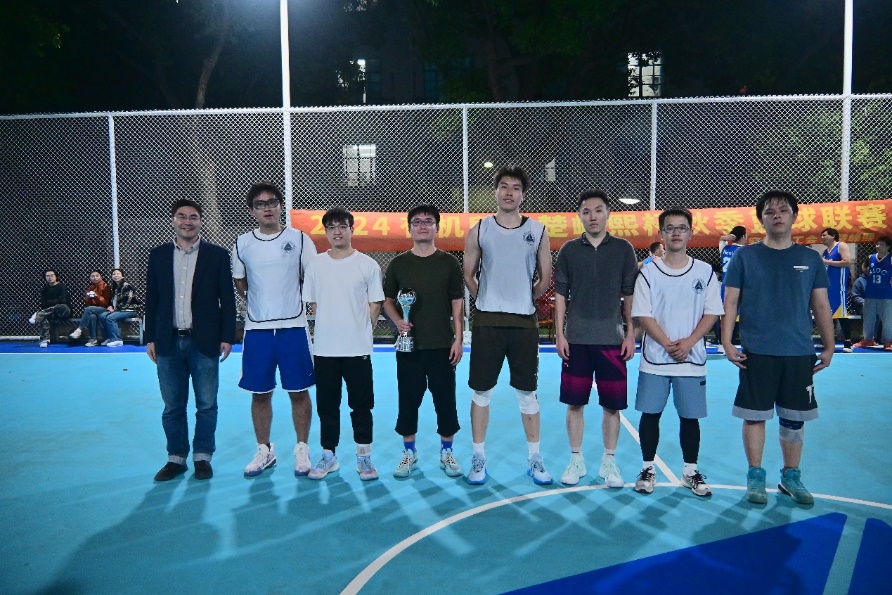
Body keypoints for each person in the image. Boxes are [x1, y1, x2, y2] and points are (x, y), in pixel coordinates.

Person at [722, 190, 834, 506]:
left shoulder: (810, 259)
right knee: (754, 416)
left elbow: (821, 305)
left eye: (783, 210)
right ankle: (755, 475)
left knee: (794, 418)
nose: (777, 216)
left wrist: (828, 346)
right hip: (757, 350)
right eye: (770, 212)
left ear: (794, 216)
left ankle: (790, 476)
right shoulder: (745, 257)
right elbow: (730, 302)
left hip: (798, 351)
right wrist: (727, 341)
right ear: (762, 219)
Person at [463, 165, 553, 486]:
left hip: (523, 323)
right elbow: (468, 274)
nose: (509, 192)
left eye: (515, 187)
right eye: (504, 186)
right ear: (496, 191)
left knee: (528, 393)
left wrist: (521, 298)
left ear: (523, 194)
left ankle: (535, 457)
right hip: (488, 321)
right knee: (481, 392)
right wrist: (488, 297)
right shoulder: (479, 229)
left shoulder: (538, 231)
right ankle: (478, 456)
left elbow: (544, 279)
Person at [631, 206, 723, 496]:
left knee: (689, 418)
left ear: (690, 233)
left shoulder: (704, 272)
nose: (676, 233)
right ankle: (647, 468)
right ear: (661, 234)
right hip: (655, 359)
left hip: (691, 358)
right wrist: (668, 343)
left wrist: (689, 342)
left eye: (681, 228)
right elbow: (643, 314)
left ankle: (690, 470)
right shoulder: (648, 273)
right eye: (669, 228)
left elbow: (712, 312)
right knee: (650, 414)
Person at [145, 199, 236, 482]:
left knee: (206, 404)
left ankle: (202, 456)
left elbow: (227, 300)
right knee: (172, 406)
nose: (187, 221)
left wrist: (227, 336)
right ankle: (176, 458)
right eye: (182, 216)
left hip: (204, 342)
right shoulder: (158, 255)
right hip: (168, 342)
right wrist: (150, 337)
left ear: (200, 221)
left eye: (193, 217)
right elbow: (152, 299)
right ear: (173, 220)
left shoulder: (217, 255)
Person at [232, 182, 318, 478]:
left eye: (272, 202)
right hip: (257, 330)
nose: (267, 208)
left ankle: (302, 449)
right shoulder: (242, 243)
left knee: (299, 391)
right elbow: (240, 282)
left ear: (281, 206)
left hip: (293, 328)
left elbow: (313, 277)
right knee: (260, 394)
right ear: (252, 210)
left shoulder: (300, 239)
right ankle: (264, 450)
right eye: (260, 204)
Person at [554, 190, 637, 487]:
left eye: (598, 210)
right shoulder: (568, 251)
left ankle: (609, 461)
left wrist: (631, 333)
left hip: (612, 340)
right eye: (586, 211)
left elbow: (630, 295)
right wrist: (560, 333)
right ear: (579, 215)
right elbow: (561, 295)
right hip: (576, 339)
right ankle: (576, 459)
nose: (592, 216)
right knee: (574, 403)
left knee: (612, 406)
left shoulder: (624, 249)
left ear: (607, 213)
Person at [382, 204, 464, 478]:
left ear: (437, 227)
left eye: (428, 221)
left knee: (445, 401)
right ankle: (409, 453)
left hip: (441, 345)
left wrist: (458, 338)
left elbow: (457, 302)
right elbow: (387, 300)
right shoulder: (399, 263)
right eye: (417, 222)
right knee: (408, 400)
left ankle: (446, 451)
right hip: (409, 347)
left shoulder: (448, 262)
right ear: (410, 228)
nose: (423, 226)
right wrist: (398, 321)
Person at [303, 207, 384, 481]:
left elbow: (375, 304)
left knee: (361, 406)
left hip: (357, 350)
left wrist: (361, 331)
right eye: (331, 227)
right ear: (325, 232)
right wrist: (330, 328)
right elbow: (313, 304)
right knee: (327, 406)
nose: (337, 232)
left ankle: (364, 457)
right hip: (325, 350)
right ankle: (329, 455)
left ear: (352, 229)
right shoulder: (315, 265)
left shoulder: (368, 265)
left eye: (342, 226)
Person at [854, 236, 892, 350]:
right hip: (870, 293)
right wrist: (868, 274)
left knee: (887, 319)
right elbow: (864, 267)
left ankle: (887, 341)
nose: (878, 246)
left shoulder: (890, 258)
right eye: (877, 244)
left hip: (886, 294)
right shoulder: (871, 258)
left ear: (888, 247)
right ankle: (868, 339)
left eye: (881, 245)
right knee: (868, 318)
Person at [715, 225, 747, 350]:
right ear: (743, 236)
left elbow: (721, 239)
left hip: (725, 286)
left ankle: (722, 343)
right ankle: (742, 341)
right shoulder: (745, 251)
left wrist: (729, 237)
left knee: (725, 314)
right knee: (743, 314)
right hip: (741, 286)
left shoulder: (725, 249)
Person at [820, 227, 853, 351]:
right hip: (827, 287)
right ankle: (828, 342)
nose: (822, 238)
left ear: (833, 236)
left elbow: (847, 262)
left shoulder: (841, 246)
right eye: (821, 236)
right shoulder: (825, 251)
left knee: (841, 314)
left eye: (824, 235)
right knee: (826, 315)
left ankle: (848, 343)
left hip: (839, 288)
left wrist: (826, 262)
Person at [68, 270, 112, 346]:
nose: (95, 278)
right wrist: (88, 298)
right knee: (92, 316)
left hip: (105, 308)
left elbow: (106, 303)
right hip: (94, 309)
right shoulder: (90, 288)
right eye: (92, 276)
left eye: (97, 276)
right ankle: (93, 339)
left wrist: (97, 296)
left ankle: (79, 329)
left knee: (89, 309)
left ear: (101, 277)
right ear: (90, 278)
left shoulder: (106, 287)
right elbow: (88, 304)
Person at [98, 268, 140, 347]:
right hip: (119, 310)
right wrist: (110, 306)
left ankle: (117, 340)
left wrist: (115, 309)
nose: (116, 275)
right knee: (102, 316)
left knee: (110, 318)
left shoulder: (127, 286)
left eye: (118, 274)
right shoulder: (116, 288)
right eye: (114, 274)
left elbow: (127, 302)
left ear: (122, 276)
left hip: (130, 310)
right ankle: (109, 338)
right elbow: (113, 301)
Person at [31, 269, 72, 348]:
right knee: (44, 317)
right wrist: (54, 302)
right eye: (47, 276)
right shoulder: (44, 289)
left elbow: (63, 300)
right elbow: (43, 303)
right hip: (51, 313)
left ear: (56, 276)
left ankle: (38, 314)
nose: (50, 277)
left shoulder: (62, 286)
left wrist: (50, 302)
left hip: (64, 311)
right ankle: (44, 340)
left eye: (52, 275)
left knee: (60, 306)